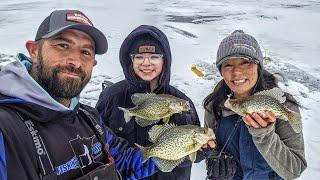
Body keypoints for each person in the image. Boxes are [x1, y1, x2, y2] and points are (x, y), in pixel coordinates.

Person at [0, 10, 162, 180]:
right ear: (33, 51)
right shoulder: (5, 131)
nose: (75, 62)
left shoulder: (89, 118)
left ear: (93, 62)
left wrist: (180, 146)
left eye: (85, 52)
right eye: (62, 45)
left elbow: (126, 163)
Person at [96, 25, 207, 180]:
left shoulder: (183, 103)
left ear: (164, 61)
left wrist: (205, 150)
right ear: (131, 60)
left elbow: (196, 153)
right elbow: (96, 145)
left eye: (154, 57)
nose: (146, 63)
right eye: (139, 57)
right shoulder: (110, 97)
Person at [204, 30, 307, 179]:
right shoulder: (214, 105)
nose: (237, 72)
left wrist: (264, 135)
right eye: (228, 65)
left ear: (258, 66)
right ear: (221, 71)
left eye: (245, 62)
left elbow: (295, 170)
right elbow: (210, 145)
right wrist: (213, 158)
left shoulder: (283, 104)